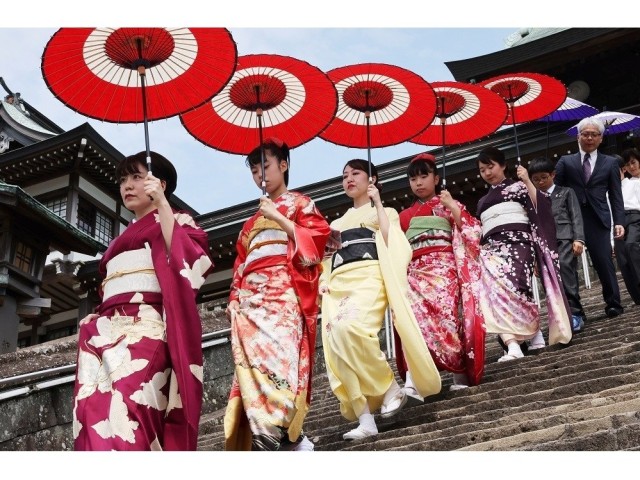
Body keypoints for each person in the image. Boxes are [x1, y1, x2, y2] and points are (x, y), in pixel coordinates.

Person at [72, 151, 214, 451]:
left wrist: (163, 204)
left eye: (137, 177)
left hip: (146, 328)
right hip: (106, 332)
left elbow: (192, 264)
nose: (127, 185)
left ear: (159, 183)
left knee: (132, 406)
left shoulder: (178, 220)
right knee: (91, 409)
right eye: (123, 179)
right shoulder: (118, 242)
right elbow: (115, 285)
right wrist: (98, 312)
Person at [320, 159, 441, 441]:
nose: (349, 178)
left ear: (372, 179)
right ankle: (365, 419)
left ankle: (389, 389)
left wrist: (377, 205)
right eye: (345, 175)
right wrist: (324, 281)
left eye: (356, 173)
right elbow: (327, 259)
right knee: (337, 340)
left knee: (353, 328)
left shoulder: (385, 210)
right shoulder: (335, 223)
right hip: (339, 282)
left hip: (369, 275)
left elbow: (393, 242)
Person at [223, 138, 331, 451]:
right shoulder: (250, 223)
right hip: (252, 301)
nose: (260, 175)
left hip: (284, 292)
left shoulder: (300, 203)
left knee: (281, 359)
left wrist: (280, 217)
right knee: (255, 363)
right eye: (254, 170)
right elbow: (240, 264)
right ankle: (271, 431)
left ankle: (276, 429)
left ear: (283, 165)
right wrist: (233, 298)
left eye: (265, 166)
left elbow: (317, 241)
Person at [394, 153, 485, 394]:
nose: (419, 183)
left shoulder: (448, 205)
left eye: (424, 176)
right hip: (415, 273)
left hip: (445, 269)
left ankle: (458, 372)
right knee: (411, 322)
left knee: (448, 318)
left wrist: (453, 206)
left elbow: (472, 233)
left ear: (436, 178)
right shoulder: (404, 216)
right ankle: (415, 379)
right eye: (413, 179)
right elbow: (396, 247)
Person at [475, 147, 572, 362]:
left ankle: (531, 336)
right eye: (482, 170)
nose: (487, 172)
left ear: (503, 165)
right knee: (495, 295)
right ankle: (521, 342)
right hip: (492, 250)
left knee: (518, 290)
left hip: (519, 244)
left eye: (490, 166)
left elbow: (542, 206)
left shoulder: (519, 186)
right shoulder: (482, 202)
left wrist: (527, 180)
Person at [554, 117, 626, 318]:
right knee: (568, 264)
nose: (589, 138)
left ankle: (613, 303)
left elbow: (615, 195)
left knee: (604, 261)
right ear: (578, 137)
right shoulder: (565, 162)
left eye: (594, 134)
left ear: (601, 138)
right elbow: (554, 190)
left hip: (598, 217)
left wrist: (619, 221)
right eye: (585, 134)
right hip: (570, 219)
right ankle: (575, 311)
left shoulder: (610, 163)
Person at [528, 156, 587, 333]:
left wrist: (579, 239)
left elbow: (576, 216)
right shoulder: (532, 199)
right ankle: (562, 316)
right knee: (550, 281)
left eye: (544, 177)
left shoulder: (566, 192)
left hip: (565, 239)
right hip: (544, 244)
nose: (540, 182)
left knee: (567, 271)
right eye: (535, 179)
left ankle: (575, 313)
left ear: (553, 175)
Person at [618, 148, 640, 303]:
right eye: (628, 164)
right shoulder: (611, 189)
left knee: (632, 246)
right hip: (619, 223)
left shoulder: (634, 184)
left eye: (634, 162)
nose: (631, 167)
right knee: (623, 259)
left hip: (634, 218)